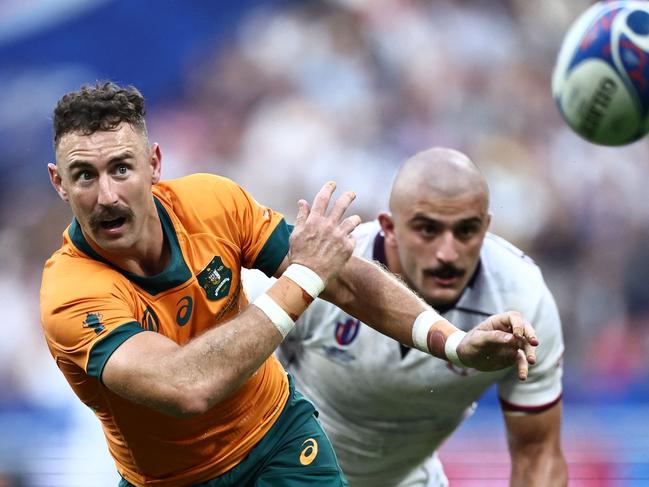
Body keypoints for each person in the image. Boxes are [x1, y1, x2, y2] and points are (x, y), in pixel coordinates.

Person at [40, 82, 538, 487]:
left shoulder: (212, 202)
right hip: (171, 480)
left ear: (154, 164)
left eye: (121, 168)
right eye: (84, 175)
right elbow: (185, 387)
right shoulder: (70, 294)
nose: (106, 195)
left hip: (278, 440)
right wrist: (302, 276)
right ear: (59, 183)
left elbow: (341, 279)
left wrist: (453, 342)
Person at [248, 147, 567, 487]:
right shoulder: (325, 267)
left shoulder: (521, 299)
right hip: (292, 476)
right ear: (389, 227)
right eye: (427, 230)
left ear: (486, 227)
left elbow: (538, 454)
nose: (448, 253)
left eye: (466, 231)